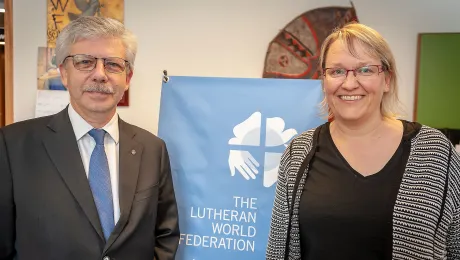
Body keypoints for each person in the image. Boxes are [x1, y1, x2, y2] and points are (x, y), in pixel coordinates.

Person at [266, 22, 460, 260]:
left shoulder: (435, 151)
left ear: (387, 79)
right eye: (336, 71)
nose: (349, 83)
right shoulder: (299, 153)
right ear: (324, 80)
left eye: (365, 70)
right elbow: (278, 251)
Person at [0, 17, 180, 260]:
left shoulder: (152, 149)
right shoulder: (12, 145)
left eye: (113, 65)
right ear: (64, 73)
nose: (100, 75)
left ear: (127, 78)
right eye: (85, 62)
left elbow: (165, 234)